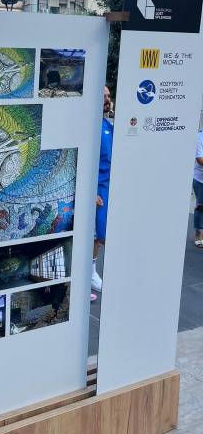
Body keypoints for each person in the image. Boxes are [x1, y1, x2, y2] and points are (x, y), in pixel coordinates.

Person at [92, 86, 113, 294]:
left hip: (108, 188)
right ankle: (89, 274)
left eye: (108, 96)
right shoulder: (89, 126)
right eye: (104, 96)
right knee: (95, 235)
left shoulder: (108, 125)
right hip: (96, 189)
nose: (108, 99)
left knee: (101, 234)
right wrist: (90, 192)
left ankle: (90, 272)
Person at [193, 130, 203, 248]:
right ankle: (198, 233)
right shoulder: (200, 137)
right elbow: (200, 159)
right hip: (201, 179)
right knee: (201, 207)